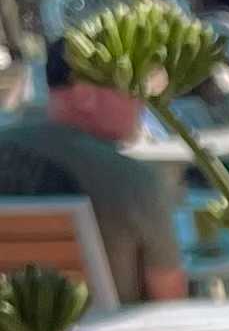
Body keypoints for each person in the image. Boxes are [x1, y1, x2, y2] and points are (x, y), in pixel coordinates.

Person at [0, 45, 187, 302]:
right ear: (84, 94)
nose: (143, 103)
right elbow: (170, 298)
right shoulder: (131, 180)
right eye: (133, 88)